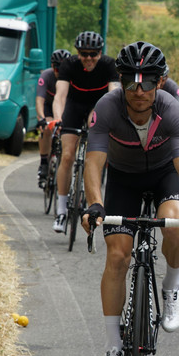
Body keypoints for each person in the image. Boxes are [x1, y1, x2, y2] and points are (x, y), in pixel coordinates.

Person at [81, 41, 179, 356]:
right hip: (123, 179)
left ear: (160, 82)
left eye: (147, 82)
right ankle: (112, 348)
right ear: (121, 80)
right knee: (117, 256)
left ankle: (172, 285)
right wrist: (94, 203)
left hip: (165, 174)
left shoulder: (171, 110)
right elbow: (94, 164)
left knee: (175, 223)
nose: (138, 90)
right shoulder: (106, 108)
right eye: (131, 82)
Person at [51, 31, 119, 233]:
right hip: (74, 105)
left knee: (92, 156)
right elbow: (60, 96)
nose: (88, 58)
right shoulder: (69, 65)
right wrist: (57, 118)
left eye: (93, 54)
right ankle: (62, 211)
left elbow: (114, 93)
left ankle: (89, 201)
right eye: (84, 53)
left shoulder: (109, 65)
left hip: (97, 106)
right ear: (77, 53)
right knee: (68, 155)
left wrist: (107, 118)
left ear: (100, 53)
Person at [35, 56, 65, 187]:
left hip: (65, 106)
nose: (59, 72)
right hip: (48, 106)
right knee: (47, 128)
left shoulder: (71, 76)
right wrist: (41, 118)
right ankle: (44, 163)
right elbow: (39, 100)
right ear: (52, 67)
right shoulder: (46, 75)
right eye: (57, 68)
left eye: (63, 69)